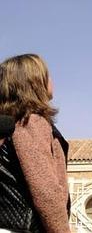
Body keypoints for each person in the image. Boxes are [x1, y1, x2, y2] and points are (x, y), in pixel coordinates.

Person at [0, 54, 70, 232]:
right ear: (35, 81)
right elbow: (46, 191)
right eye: (47, 75)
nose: (52, 80)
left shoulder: (10, 123)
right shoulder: (30, 122)